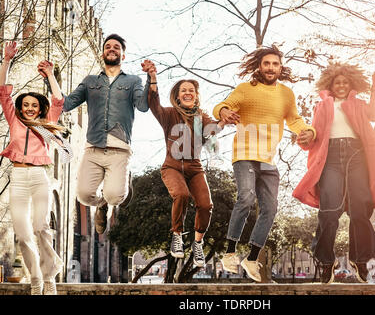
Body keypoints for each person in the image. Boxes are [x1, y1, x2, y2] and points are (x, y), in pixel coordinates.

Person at [214, 45, 316, 282]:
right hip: (245, 154)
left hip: (268, 160)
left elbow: (295, 120)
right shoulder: (246, 89)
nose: (271, 68)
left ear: (281, 68)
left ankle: (252, 258)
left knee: (270, 208)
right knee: (247, 197)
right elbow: (223, 105)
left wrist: (308, 131)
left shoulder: (286, 94)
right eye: (267, 63)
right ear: (259, 66)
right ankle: (229, 253)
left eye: (275, 64)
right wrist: (224, 112)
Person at [292, 62, 375, 284]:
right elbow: (315, 133)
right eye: (337, 82)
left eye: (345, 82)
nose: (341, 85)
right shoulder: (321, 106)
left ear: (351, 84)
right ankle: (327, 260)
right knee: (329, 210)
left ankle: (360, 258)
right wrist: (306, 137)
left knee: (360, 209)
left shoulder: (358, 104)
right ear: (330, 84)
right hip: (331, 158)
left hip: (357, 155)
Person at [60, 34, 151, 234]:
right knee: (83, 196)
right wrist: (50, 76)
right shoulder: (90, 81)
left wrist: (151, 79)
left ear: (123, 55)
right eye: (108, 46)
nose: (111, 49)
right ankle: (101, 204)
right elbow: (66, 104)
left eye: (116, 47)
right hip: (93, 148)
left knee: (115, 196)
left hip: (119, 150)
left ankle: (118, 186)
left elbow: (143, 106)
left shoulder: (133, 81)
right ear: (103, 53)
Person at [141, 59, 224, 267]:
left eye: (192, 90)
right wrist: (152, 78)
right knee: (181, 194)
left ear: (196, 96)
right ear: (177, 95)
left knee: (206, 205)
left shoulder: (201, 117)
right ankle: (176, 235)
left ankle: (197, 243)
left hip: (195, 169)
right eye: (184, 90)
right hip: (172, 167)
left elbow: (212, 130)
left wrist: (225, 119)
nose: (188, 93)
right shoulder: (169, 114)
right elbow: (153, 103)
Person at [0, 42, 67, 295]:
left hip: (40, 177)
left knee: (41, 227)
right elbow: (3, 92)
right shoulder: (13, 120)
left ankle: (49, 276)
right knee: (23, 232)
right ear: (20, 108)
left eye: (34, 105)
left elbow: (58, 100)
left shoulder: (47, 124)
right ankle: (36, 278)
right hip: (18, 176)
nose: (29, 108)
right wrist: (7, 60)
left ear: (40, 108)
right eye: (25, 105)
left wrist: (50, 75)